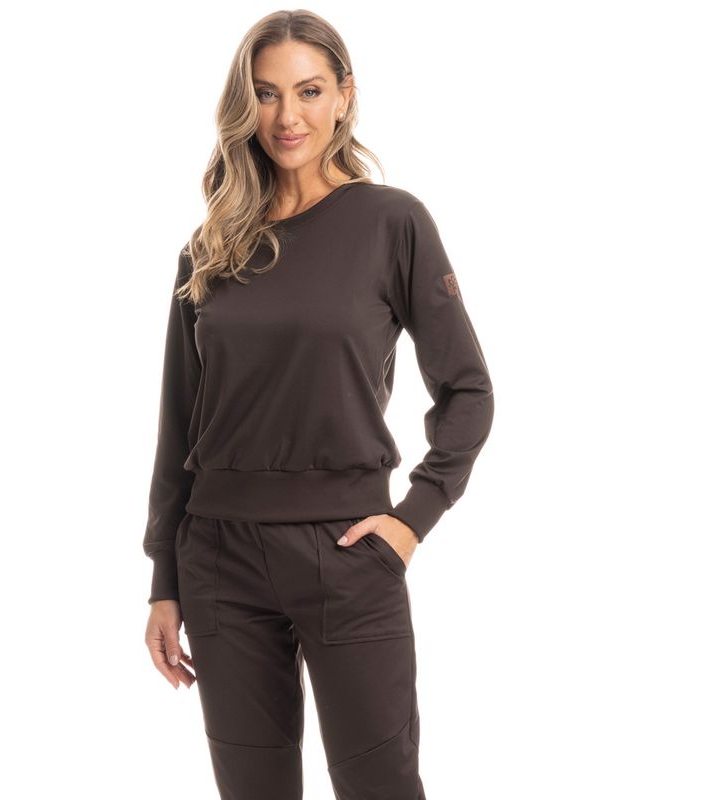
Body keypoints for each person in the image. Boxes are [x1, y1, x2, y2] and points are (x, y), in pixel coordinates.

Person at [142, 10, 494, 800]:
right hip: (219, 561)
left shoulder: (391, 222)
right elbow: (178, 424)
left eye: (307, 91)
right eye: (266, 94)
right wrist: (165, 578)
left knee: (382, 786)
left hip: (349, 552)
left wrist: (412, 519)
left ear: (344, 96)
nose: (287, 117)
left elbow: (468, 390)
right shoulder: (209, 248)